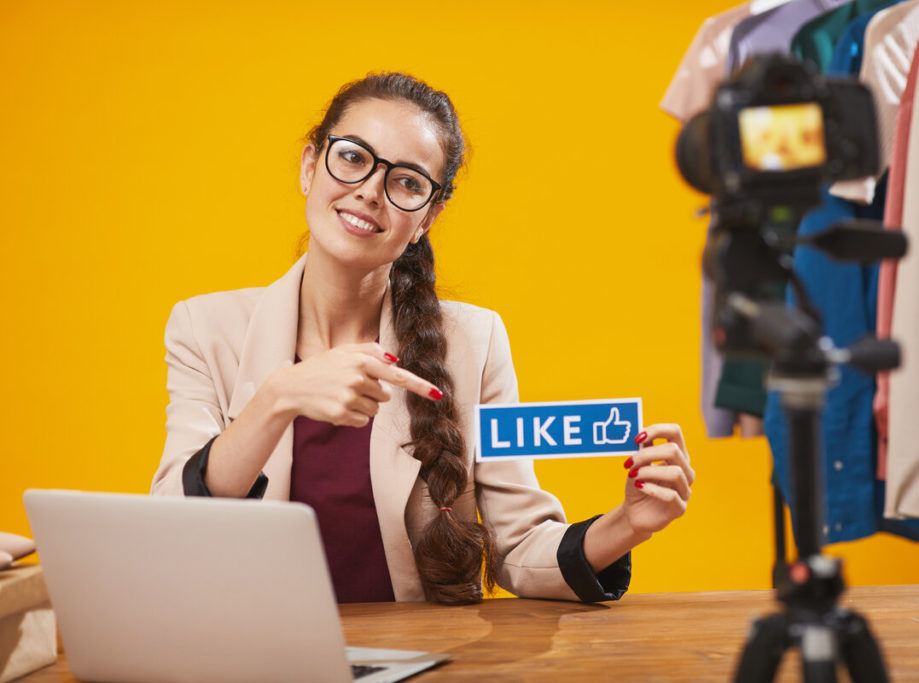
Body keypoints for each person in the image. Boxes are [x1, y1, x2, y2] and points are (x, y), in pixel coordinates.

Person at [152, 72, 695, 605]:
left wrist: (628, 523)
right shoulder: (205, 328)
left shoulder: (473, 341)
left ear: (430, 216)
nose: (369, 191)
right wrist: (278, 398)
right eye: (352, 157)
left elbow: (520, 548)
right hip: (254, 655)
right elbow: (173, 524)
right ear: (309, 165)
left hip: (416, 658)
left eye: (407, 181)